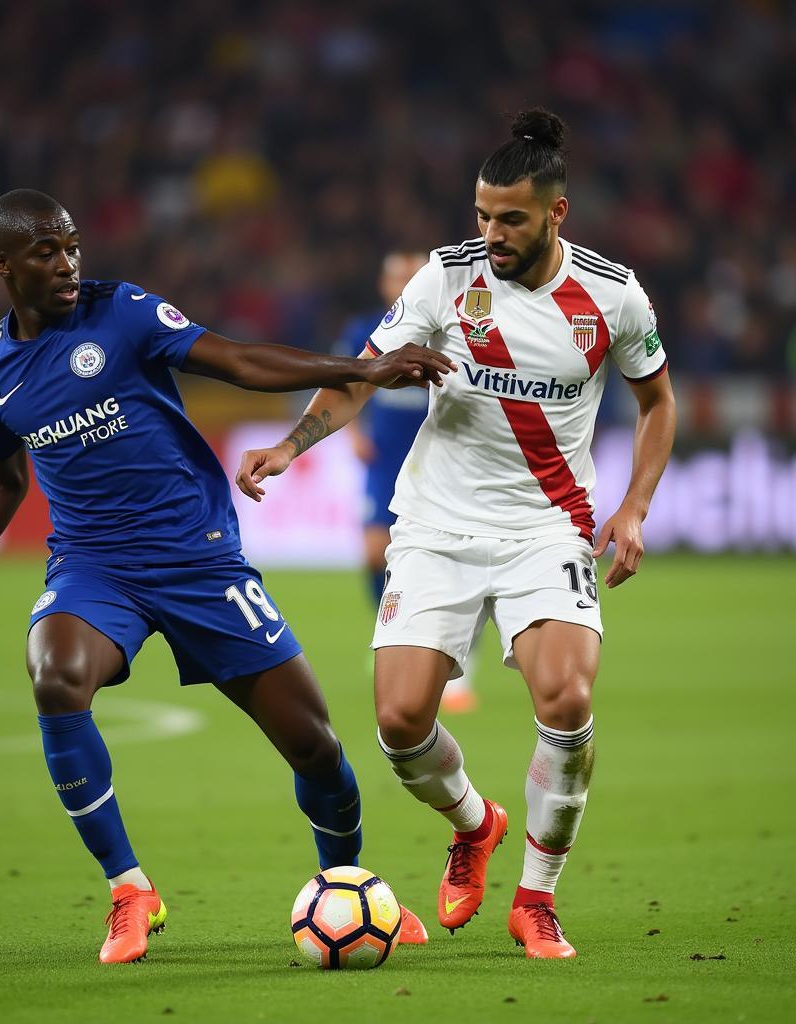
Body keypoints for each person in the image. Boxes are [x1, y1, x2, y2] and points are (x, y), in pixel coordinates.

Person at [0, 189, 450, 964]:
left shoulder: (122, 312)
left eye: (72, 244)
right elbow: (4, 483)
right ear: (2, 266)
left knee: (316, 748)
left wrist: (363, 369)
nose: (67, 262)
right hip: (93, 566)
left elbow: (240, 359)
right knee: (54, 675)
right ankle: (129, 890)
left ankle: (345, 881)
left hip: (197, 557)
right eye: (46, 251)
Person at [236, 109, 676, 959]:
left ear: (557, 213)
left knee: (568, 700)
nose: (491, 232)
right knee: (399, 725)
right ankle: (473, 825)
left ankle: (536, 899)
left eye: (510, 217)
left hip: (548, 528)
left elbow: (659, 403)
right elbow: (361, 379)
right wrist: (291, 446)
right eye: (481, 214)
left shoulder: (613, 295)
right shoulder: (443, 280)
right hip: (436, 525)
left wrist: (633, 508)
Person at [337, 251, 477, 715]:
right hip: (385, 461)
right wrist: (354, 435)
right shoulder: (367, 332)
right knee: (375, 553)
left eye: (409, 276)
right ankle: (391, 634)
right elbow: (345, 383)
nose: (401, 283)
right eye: (395, 274)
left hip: (439, 462)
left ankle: (460, 661)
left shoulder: (446, 328)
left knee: (455, 564)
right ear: (383, 283)